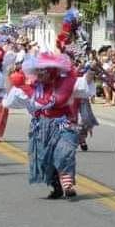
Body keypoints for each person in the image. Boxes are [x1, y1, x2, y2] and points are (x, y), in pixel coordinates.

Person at [24, 52, 85, 200]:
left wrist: (88, 71)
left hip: (62, 122)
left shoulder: (65, 83)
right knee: (45, 159)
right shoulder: (35, 86)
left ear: (51, 71)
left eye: (43, 71)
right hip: (42, 125)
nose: (39, 74)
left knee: (64, 153)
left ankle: (67, 186)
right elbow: (23, 99)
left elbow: (59, 99)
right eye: (38, 70)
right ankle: (56, 186)